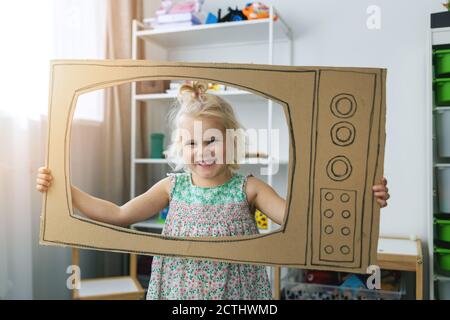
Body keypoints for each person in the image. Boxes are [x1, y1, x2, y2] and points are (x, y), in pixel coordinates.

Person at [36, 82, 390, 299]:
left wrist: (362, 200)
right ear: (179, 148)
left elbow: (303, 220)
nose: (202, 151)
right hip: (178, 291)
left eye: (211, 141)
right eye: (191, 143)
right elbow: (118, 214)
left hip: (237, 292)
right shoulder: (172, 187)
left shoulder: (249, 187)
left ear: (232, 143)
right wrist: (65, 190)